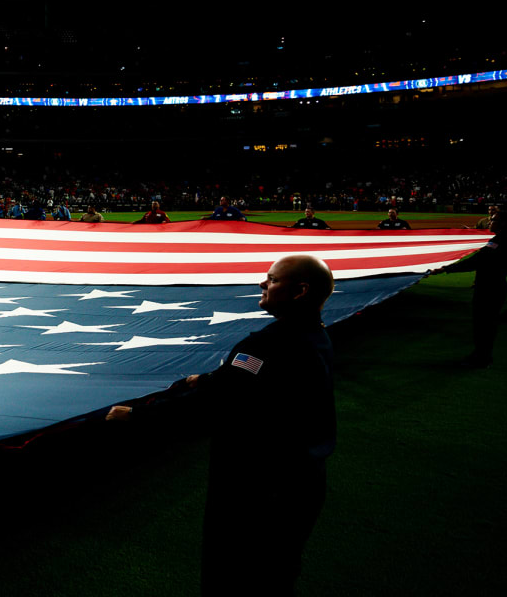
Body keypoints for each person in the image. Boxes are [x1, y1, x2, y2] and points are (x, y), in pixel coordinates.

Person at [107, 255, 336, 595]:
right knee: (277, 570)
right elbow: (259, 385)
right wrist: (212, 378)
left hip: (258, 485)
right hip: (303, 477)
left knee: (234, 572)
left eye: (272, 280)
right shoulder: (315, 336)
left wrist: (136, 417)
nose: (263, 284)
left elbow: (217, 404)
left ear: (300, 291)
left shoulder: (266, 344)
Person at [437, 211, 507, 368]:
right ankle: (481, 355)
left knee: (484, 325)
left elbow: (476, 261)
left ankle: (482, 358)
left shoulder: (500, 242)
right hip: (493, 286)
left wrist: (446, 268)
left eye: (493, 220)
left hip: (490, 289)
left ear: (503, 224)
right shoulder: (503, 240)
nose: (489, 222)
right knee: (485, 324)